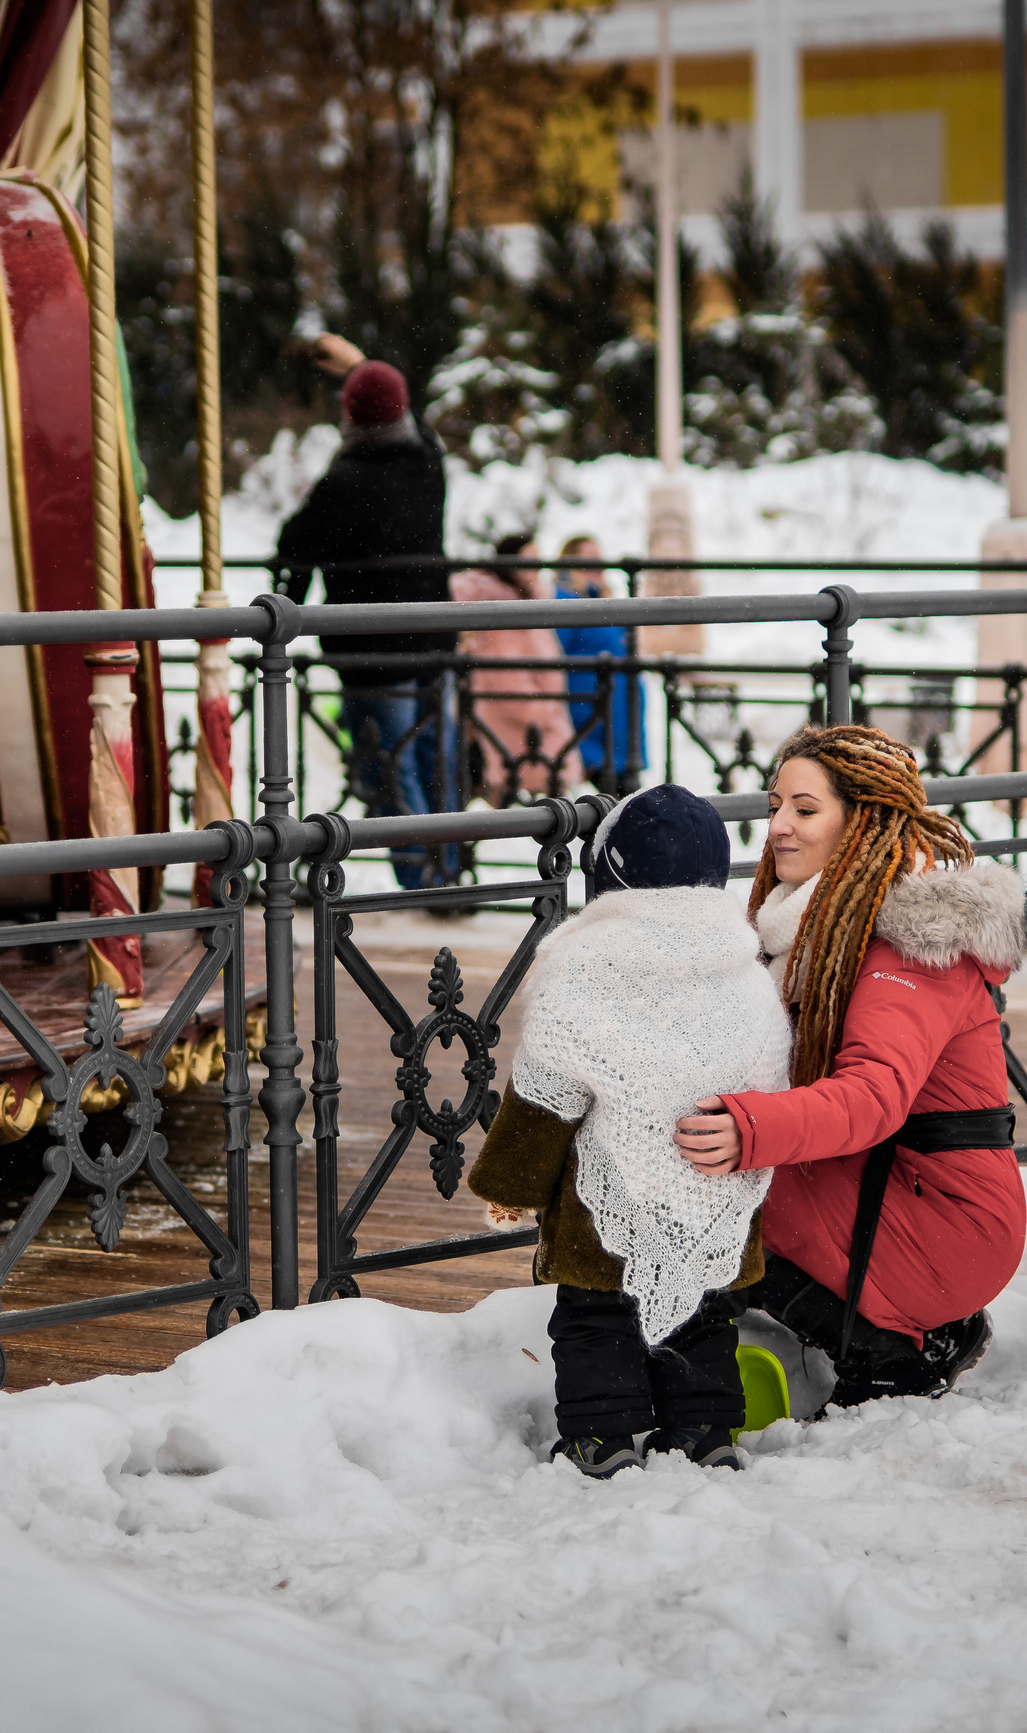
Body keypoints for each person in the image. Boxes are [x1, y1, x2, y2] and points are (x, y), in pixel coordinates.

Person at [673, 725, 1023, 1410]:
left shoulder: (911, 947)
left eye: (805, 810)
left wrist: (745, 1130)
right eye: (775, 805)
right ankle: (903, 1326)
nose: (778, 825)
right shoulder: (815, 927)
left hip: (945, 1225)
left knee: (706, 1195)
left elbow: (870, 1097)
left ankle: (886, 1352)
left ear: (861, 824)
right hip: (893, 1187)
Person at [468, 784, 791, 1475]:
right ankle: (704, 1429)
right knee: (705, 1314)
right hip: (711, 1180)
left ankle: (602, 1435)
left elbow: (547, 1094)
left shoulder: (585, 970)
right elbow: (769, 1077)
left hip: (599, 1203)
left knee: (595, 1317)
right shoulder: (744, 969)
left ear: (610, 874)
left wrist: (511, 1184)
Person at [272, 336, 456, 887]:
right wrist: (361, 366)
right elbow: (421, 428)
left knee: (389, 769)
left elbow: (295, 542)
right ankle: (450, 871)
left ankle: (421, 882)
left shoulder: (344, 481)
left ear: (349, 416)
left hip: (371, 650)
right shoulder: (427, 465)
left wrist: (289, 599)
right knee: (436, 762)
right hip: (432, 640)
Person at [447, 533, 573, 803]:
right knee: (527, 809)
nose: (537, 568)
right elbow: (507, 682)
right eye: (530, 560)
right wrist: (546, 712)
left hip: (535, 730)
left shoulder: (523, 605)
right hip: (522, 736)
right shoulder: (502, 615)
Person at [551, 534, 646, 789]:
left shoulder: (601, 599)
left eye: (598, 558)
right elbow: (555, 654)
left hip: (617, 717)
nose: (597, 566)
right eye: (588, 559)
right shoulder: (564, 601)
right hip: (591, 716)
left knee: (623, 793)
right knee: (616, 794)